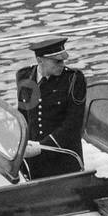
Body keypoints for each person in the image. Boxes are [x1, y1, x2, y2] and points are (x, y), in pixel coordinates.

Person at [16, 35, 86, 179]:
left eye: (63, 60)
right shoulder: (25, 77)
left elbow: (73, 125)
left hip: (64, 158)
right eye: (57, 61)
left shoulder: (74, 80)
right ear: (40, 60)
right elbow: (23, 116)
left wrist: (41, 147)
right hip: (33, 161)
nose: (62, 64)